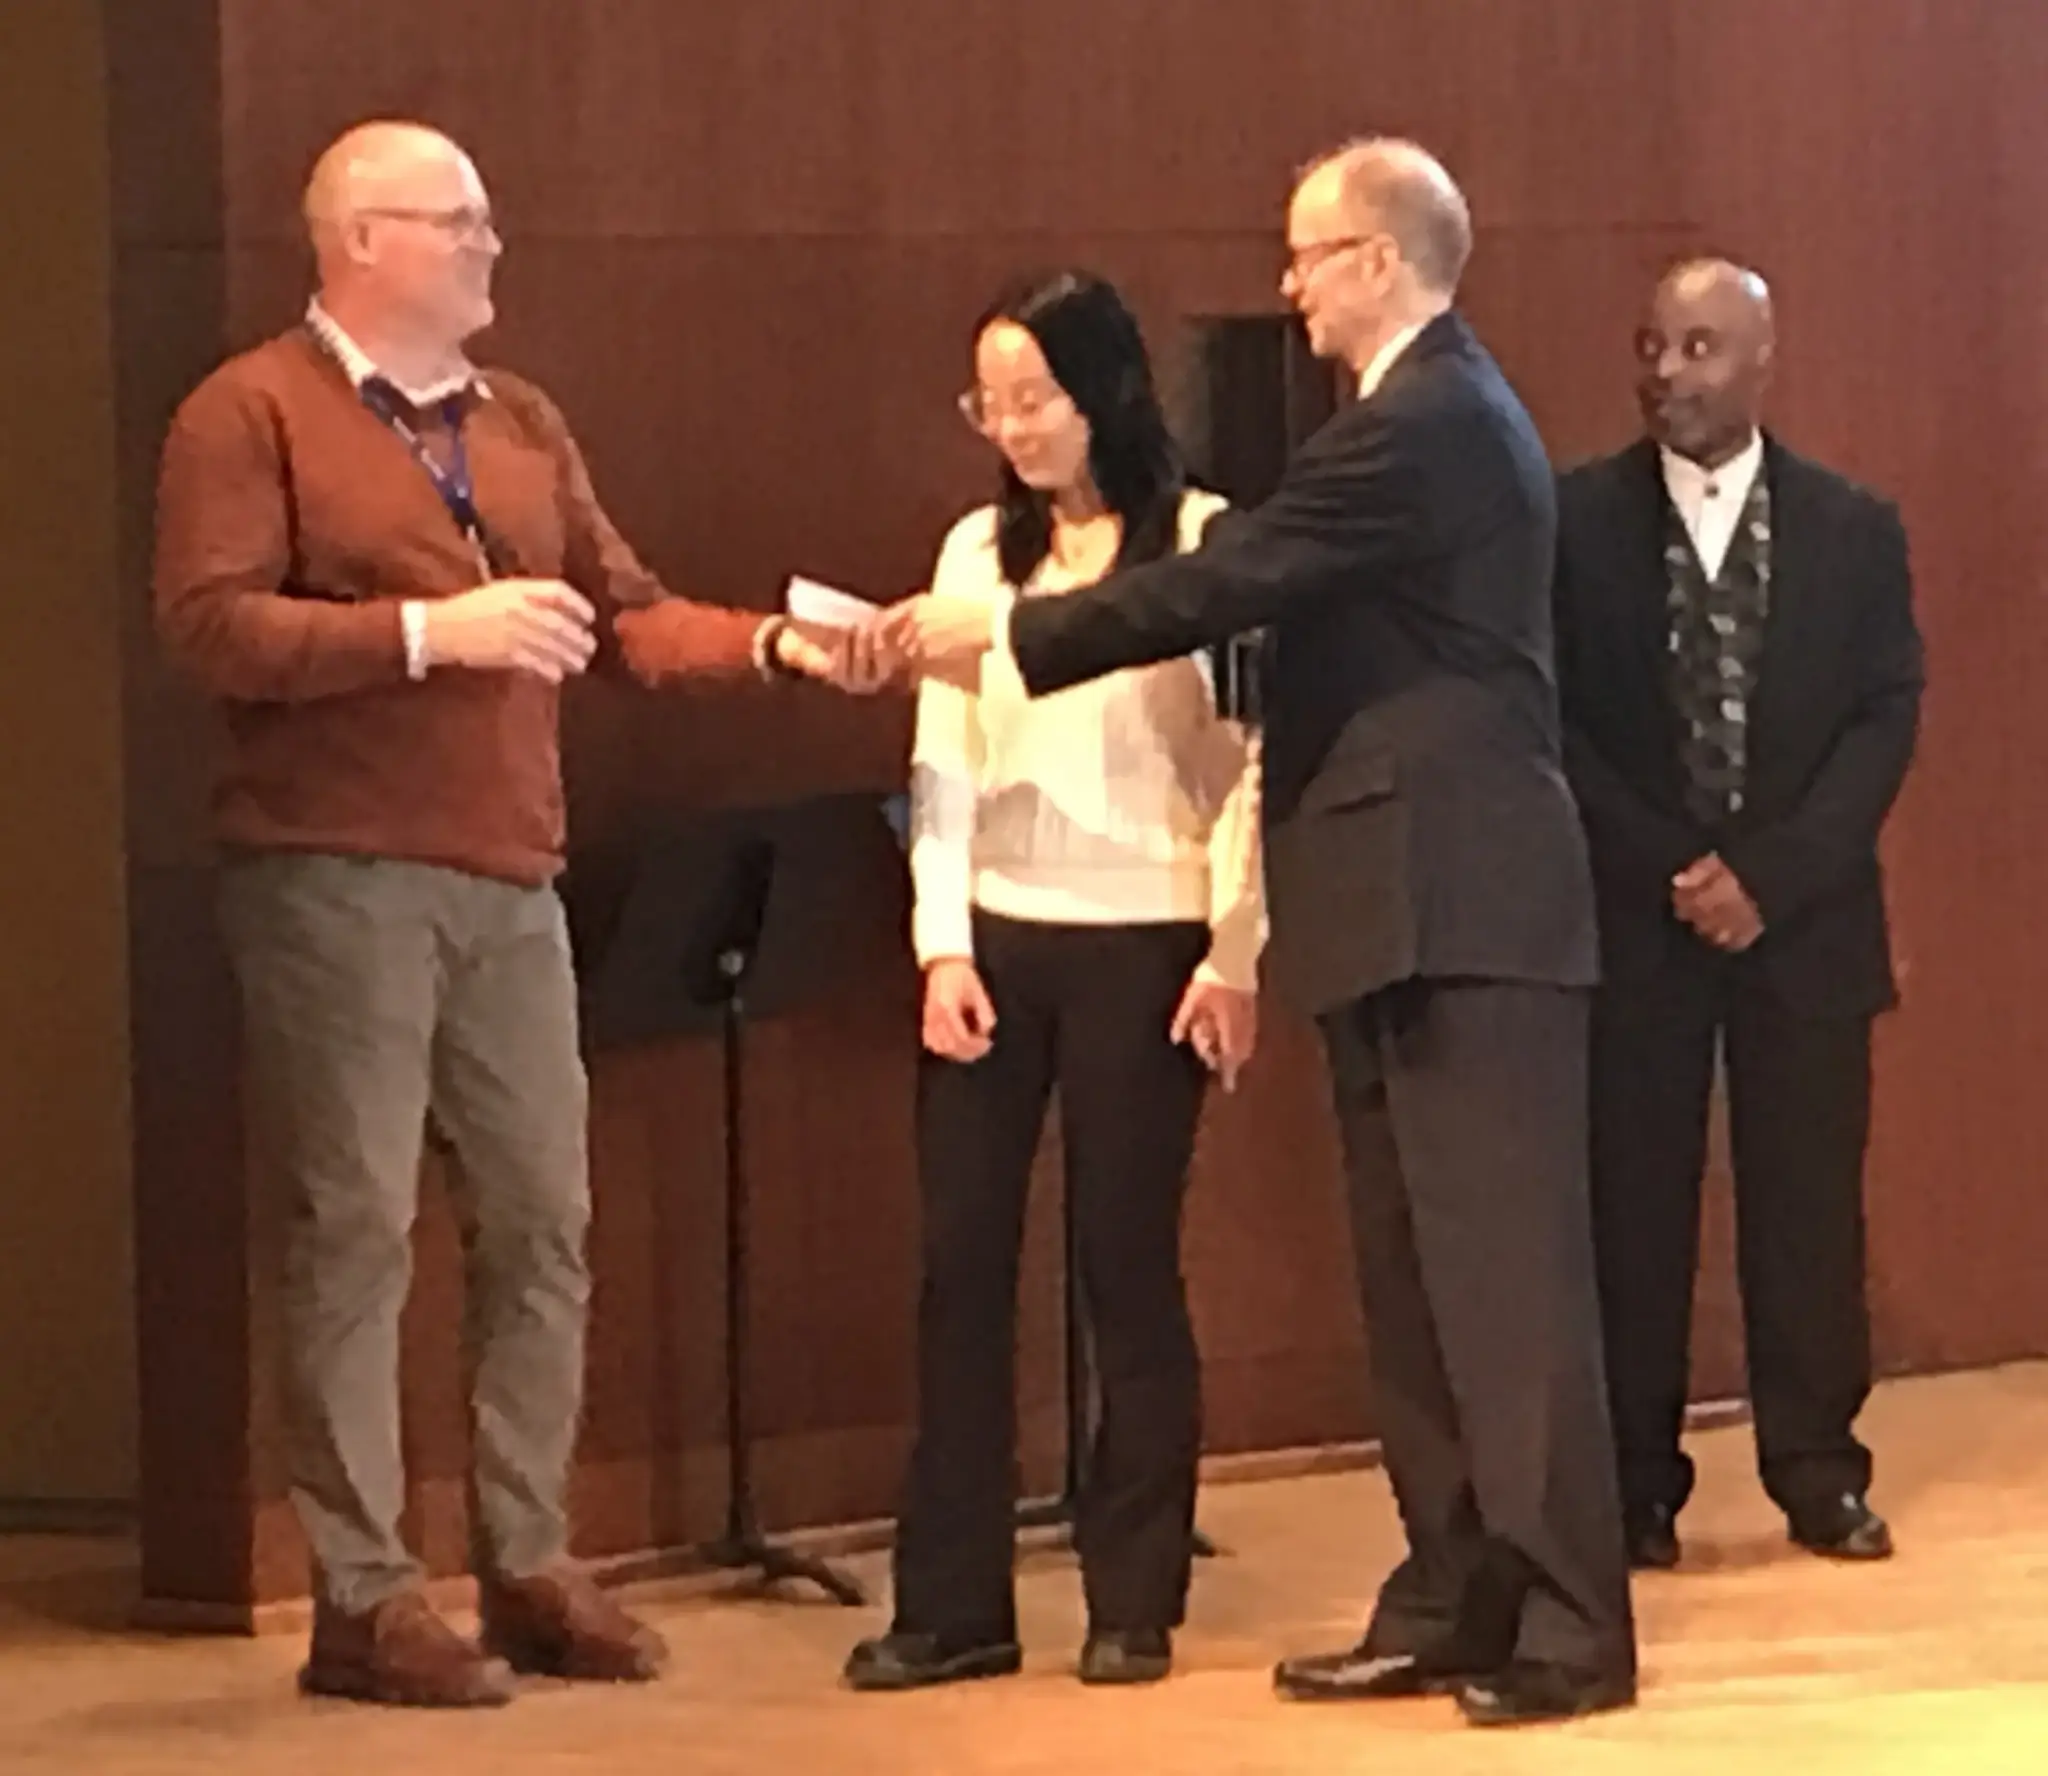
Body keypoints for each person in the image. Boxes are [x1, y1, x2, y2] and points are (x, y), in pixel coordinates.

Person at [872, 138, 1636, 1728]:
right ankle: (1453, 1593)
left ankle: (1570, 1629)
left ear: (1378, 259)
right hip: (1389, 901)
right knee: (1417, 1285)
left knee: (1505, 1289)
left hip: (1467, 897)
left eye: (1305, 254)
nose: (1284, 286)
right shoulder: (1400, 419)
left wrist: (1010, 628)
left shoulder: (1429, 420)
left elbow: (1233, 579)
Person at [152, 120, 831, 1709]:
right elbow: (207, 627)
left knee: (543, 1220)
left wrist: (791, 655)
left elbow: (627, 611)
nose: (490, 249)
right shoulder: (248, 410)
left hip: (511, 877)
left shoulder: (518, 418)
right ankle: (364, 1591)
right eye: (459, 224)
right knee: (358, 1228)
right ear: (360, 239)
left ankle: (528, 1559)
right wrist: (426, 634)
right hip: (334, 869)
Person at [826, 271, 1263, 1694]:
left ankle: (1131, 1594)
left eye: (1036, 399)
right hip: (1000, 939)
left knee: (1124, 1271)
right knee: (960, 1272)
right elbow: (939, 760)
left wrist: (1233, 946)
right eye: (989, 404)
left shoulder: (1204, 544)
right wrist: (939, 942)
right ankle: (953, 1603)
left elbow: (1248, 766)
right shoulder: (972, 551)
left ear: (1108, 393)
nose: (1010, 429)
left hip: (1147, 936)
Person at [1552, 259, 1923, 1572]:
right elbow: (1561, 728)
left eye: (1701, 347)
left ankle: (1818, 1469)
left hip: (1807, 928)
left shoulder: (1853, 527)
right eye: (1654, 345)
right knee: (1631, 1208)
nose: (1670, 373)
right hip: (1639, 924)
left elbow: (1885, 719)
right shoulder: (1574, 521)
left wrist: (1769, 875)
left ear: (1763, 358)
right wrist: (1676, 870)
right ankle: (1636, 1482)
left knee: (1809, 1208)